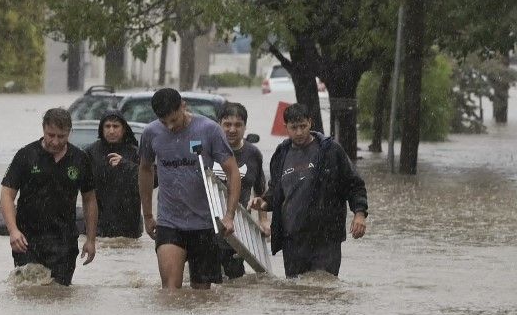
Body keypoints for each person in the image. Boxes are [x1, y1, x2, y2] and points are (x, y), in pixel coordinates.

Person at [138, 88, 241, 290]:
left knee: (201, 297)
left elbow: (233, 173)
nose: (170, 126)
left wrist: (229, 215)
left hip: (204, 224)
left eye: (174, 120)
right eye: (163, 122)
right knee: (170, 291)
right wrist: (148, 215)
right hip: (169, 223)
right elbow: (145, 170)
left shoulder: (209, 130)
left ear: (183, 106)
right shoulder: (151, 133)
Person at [250, 103, 368, 277]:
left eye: (303, 126)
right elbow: (276, 190)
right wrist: (265, 202)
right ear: (286, 128)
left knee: (324, 288)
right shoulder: (281, 154)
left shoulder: (330, 151)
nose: (299, 132)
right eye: (294, 127)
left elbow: (354, 184)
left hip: (326, 238)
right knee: (295, 292)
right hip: (292, 239)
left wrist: (360, 214)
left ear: (310, 123)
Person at [0, 107, 98, 286]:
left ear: (70, 132)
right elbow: (7, 195)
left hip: (64, 241)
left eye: (61, 136)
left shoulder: (80, 159)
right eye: (50, 135)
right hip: (27, 240)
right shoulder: (26, 155)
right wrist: (13, 231)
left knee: (59, 295)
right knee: (28, 294)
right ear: (43, 129)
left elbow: (89, 199)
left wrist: (91, 239)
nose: (55, 141)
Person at [213, 102, 269, 279]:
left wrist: (263, 221)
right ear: (219, 124)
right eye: (227, 124)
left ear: (245, 127)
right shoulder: (208, 151)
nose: (232, 129)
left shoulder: (253, 154)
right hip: (205, 230)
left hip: (237, 233)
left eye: (238, 125)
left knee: (235, 285)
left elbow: (260, 191)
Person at [85, 112, 142, 238]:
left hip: (128, 225)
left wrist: (126, 165)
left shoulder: (135, 153)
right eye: (107, 126)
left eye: (115, 126)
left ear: (124, 129)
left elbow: (153, 180)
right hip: (98, 224)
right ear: (101, 128)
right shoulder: (90, 152)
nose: (111, 131)